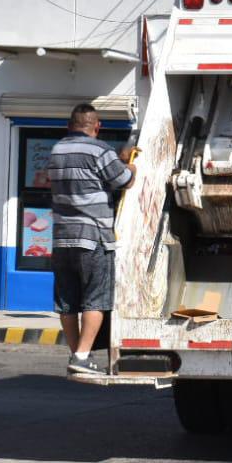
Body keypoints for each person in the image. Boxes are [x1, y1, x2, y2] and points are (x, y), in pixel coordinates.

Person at [48, 104, 136, 375]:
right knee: (95, 299)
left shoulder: (56, 151)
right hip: (93, 237)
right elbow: (124, 180)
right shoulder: (100, 150)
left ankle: (77, 355)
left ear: (69, 126)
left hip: (62, 237)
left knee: (67, 301)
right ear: (97, 127)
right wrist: (130, 164)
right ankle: (83, 357)